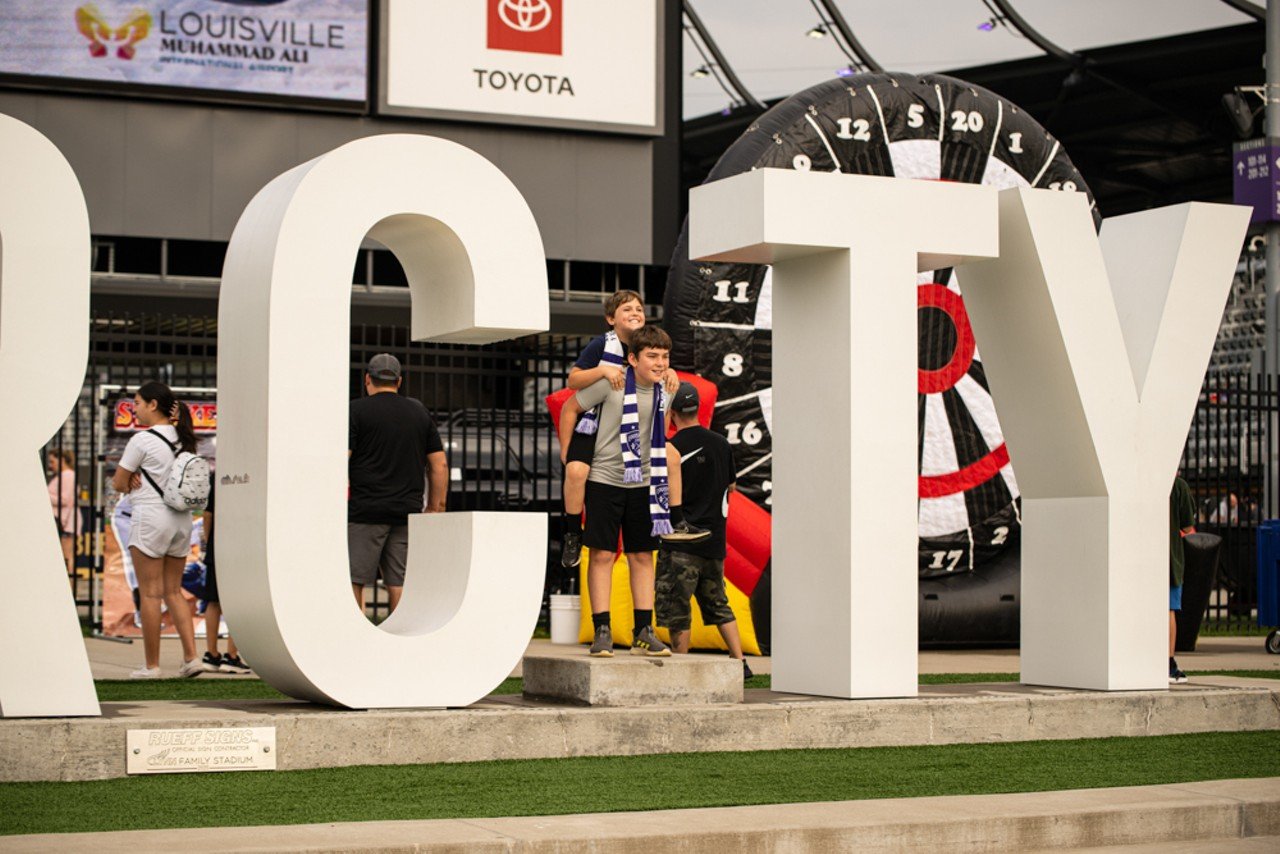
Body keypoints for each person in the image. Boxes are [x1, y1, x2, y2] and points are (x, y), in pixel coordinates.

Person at [557, 326, 703, 658]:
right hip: (606, 479)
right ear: (633, 358)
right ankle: (602, 629)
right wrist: (568, 451)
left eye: (665, 357)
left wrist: (672, 374)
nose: (660, 363)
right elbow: (570, 408)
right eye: (652, 356)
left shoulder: (668, 389)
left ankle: (643, 630)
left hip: (646, 483)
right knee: (603, 556)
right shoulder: (612, 384)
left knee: (641, 556)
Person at [560, 291, 679, 569]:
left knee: (671, 457)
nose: (635, 312)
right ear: (611, 319)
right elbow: (573, 380)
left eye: (639, 308)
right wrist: (603, 371)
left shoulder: (650, 346)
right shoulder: (603, 344)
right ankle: (572, 533)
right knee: (577, 471)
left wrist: (670, 372)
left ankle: (676, 518)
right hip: (595, 422)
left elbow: (660, 372)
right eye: (627, 309)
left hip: (630, 429)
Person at [655, 382, 753, 679]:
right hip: (714, 541)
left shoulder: (671, 447)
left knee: (677, 608)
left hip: (681, 543)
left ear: (672, 414)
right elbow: (732, 485)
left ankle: (680, 671)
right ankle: (740, 662)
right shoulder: (721, 443)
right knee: (718, 604)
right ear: (697, 409)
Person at [111, 381, 203, 679]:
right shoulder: (183, 437)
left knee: (150, 594)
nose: (134, 408)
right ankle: (192, 658)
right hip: (182, 519)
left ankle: (151, 666)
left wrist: (134, 477)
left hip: (151, 516)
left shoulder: (141, 440)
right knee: (174, 591)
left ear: (153, 404)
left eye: (137, 403)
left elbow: (118, 483)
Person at [349, 353, 448, 615]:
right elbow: (439, 465)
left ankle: (355, 641)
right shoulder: (419, 412)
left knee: (354, 579)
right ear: (399, 381)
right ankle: (399, 640)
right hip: (407, 510)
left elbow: (341, 461)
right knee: (399, 581)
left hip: (365, 511)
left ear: (367, 379)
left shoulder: (356, 411)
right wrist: (435, 508)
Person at [199, 484, 251, 673]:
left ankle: (212, 654)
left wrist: (210, 539)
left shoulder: (219, 477)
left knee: (213, 602)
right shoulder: (249, 478)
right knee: (236, 602)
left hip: (217, 546)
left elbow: (207, 514)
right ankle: (231, 655)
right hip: (239, 546)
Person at [1169, 474, 1196, 684]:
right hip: (1170, 558)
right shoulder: (1178, 486)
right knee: (1169, 610)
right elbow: (1188, 528)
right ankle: (1168, 663)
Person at [46, 449, 77, 577]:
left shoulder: (68, 475)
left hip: (63, 520)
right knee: (64, 557)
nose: (50, 465)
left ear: (62, 460)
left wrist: (43, 495)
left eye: (52, 461)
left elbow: (64, 500)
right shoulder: (64, 476)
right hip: (64, 520)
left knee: (65, 557)